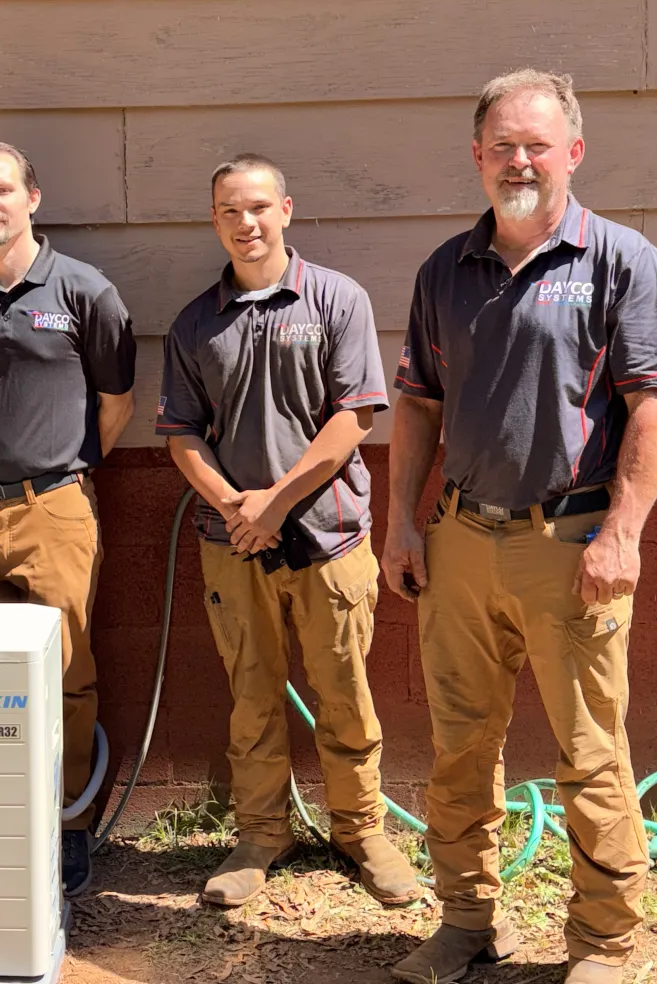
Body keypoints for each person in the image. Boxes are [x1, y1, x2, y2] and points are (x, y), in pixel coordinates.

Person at [381, 70, 657, 984]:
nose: (520, 160)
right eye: (502, 145)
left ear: (574, 153)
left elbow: (656, 406)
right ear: (478, 157)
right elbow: (416, 402)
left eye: (537, 144)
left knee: (591, 754)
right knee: (460, 745)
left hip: (572, 546)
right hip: (462, 543)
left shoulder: (622, 261)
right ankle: (467, 921)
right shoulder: (445, 270)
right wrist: (401, 520)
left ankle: (602, 944)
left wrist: (623, 533)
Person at [158, 154, 420, 910]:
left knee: (344, 692)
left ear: (287, 210)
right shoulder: (195, 323)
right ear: (215, 220)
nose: (246, 223)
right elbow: (181, 434)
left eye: (259, 208)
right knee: (251, 695)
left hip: (329, 539)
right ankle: (260, 835)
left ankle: (362, 831)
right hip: (232, 544)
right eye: (230, 211)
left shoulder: (336, 300)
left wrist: (276, 501)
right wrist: (237, 507)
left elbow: (353, 419)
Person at [0, 142, 136, 898]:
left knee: (66, 673)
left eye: (3, 189)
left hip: (56, 508)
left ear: (32, 197)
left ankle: (69, 826)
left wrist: (58, 477)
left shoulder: (85, 291)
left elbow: (116, 405)